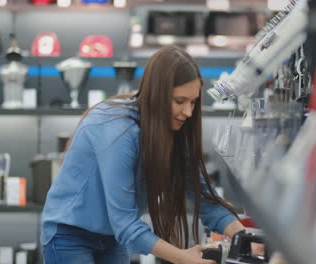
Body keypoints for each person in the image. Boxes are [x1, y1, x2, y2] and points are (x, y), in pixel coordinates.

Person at [41, 46, 246, 264]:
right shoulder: (118, 130)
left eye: (193, 102)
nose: (188, 112)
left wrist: (244, 238)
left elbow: (205, 198)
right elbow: (126, 224)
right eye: (180, 101)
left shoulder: (173, 132)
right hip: (69, 235)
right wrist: (182, 257)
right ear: (157, 94)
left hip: (111, 237)